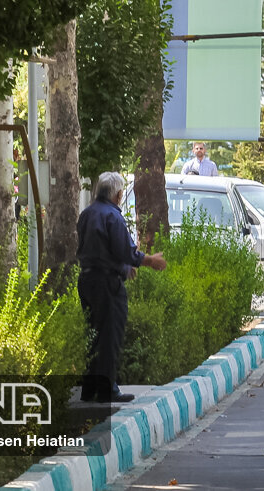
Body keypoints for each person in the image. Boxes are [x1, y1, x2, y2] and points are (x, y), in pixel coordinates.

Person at [77, 172, 166, 402]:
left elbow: (100, 251)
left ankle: (90, 388)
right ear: (118, 194)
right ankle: (107, 389)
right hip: (107, 284)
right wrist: (150, 261)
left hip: (87, 281)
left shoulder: (87, 214)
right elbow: (125, 251)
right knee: (109, 334)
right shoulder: (112, 217)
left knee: (93, 333)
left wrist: (124, 267)